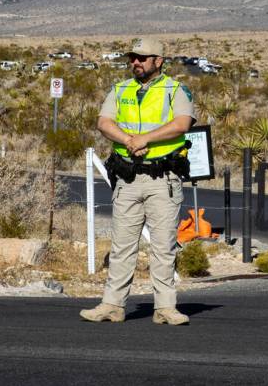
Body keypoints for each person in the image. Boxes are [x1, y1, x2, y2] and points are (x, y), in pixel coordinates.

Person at [80, 38, 195, 325]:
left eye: (143, 58)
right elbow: (104, 122)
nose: (136, 63)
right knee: (122, 245)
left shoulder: (175, 90)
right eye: (133, 58)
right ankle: (112, 305)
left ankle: (165, 308)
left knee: (163, 245)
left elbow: (182, 123)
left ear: (159, 61)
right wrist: (130, 141)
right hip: (128, 177)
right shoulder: (120, 90)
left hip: (162, 178)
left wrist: (146, 138)